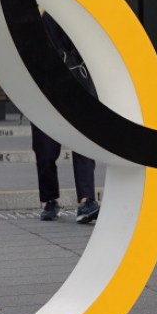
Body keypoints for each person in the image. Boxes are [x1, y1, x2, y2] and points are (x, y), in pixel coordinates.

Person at [33, 12, 100, 224]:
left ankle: (86, 200)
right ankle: (50, 199)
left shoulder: (71, 13)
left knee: (83, 145)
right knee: (45, 149)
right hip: (45, 91)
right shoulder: (32, 20)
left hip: (77, 85)